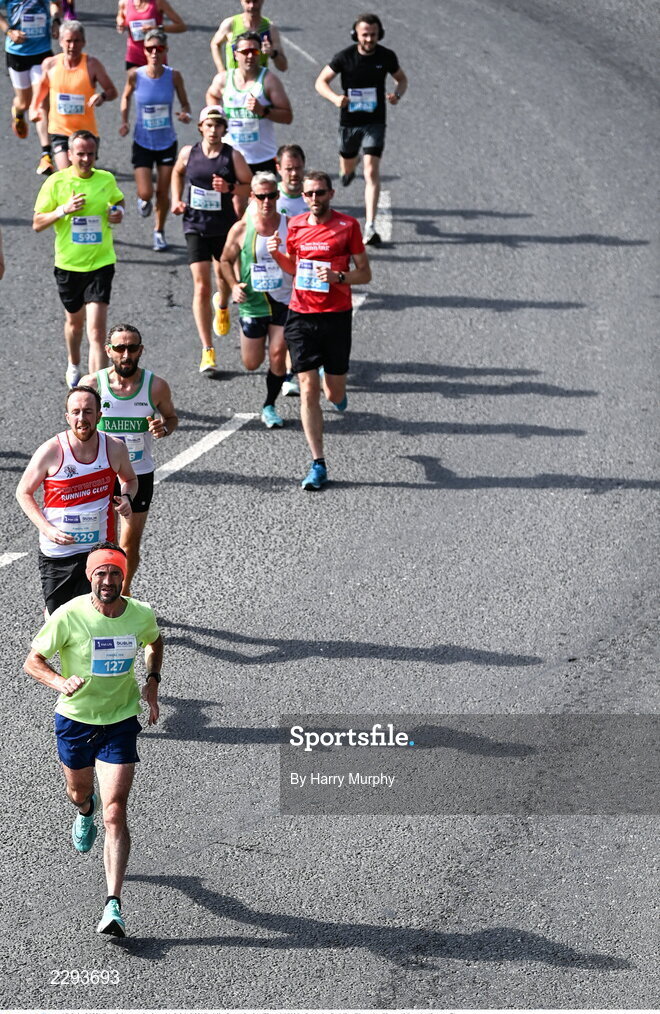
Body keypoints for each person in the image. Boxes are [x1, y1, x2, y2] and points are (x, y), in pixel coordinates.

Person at [23, 542, 163, 938]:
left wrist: (151, 686)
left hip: (120, 721)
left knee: (116, 811)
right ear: (90, 577)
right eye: (100, 573)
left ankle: (113, 905)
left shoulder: (139, 615)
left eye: (114, 573)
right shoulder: (69, 616)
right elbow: (32, 661)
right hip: (76, 721)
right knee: (78, 794)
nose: (108, 580)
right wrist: (59, 681)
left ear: (124, 577)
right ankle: (85, 810)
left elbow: (155, 641)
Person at [268, 170, 371, 490]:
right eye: (309, 194)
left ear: (331, 194)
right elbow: (295, 269)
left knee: (334, 393)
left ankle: (337, 390)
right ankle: (318, 463)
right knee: (308, 388)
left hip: (336, 316)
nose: (314, 199)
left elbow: (365, 274)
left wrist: (338, 278)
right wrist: (275, 253)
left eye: (320, 193)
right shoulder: (295, 226)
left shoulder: (347, 226)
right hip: (301, 315)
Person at [16, 386, 138, 614]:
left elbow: (130, 479)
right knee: (58, 617)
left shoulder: (114, 448)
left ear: (99, 416)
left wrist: (127, 498)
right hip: (59, 551)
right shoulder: (51, 450)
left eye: (88, 412)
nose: (82, 419)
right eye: (76, 412)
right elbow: (23, 492)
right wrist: (47, 529)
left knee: (96, 614)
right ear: (68, 417)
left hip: (98, 549)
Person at [78, 323, 178, 596]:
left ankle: (123, 594)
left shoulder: (155, 386)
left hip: (139, 473)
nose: (126, 354)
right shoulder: (92, 385)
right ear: (108, 350)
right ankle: (92, 595)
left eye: (132, 348)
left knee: (129, 543)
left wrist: (163, 428)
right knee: (98, 540)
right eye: (119, 348)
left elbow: (170, 418)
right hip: (100, 474)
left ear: (140, 350)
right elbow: (77, 425)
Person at [33, 129, 125, 387]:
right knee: (74, 324)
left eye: (90, 154)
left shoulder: (105, 179)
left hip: (101, 262)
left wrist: (117, 213)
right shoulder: (56, 183)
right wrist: (63, 209)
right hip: (68, 265)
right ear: (70, 154)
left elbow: (118, 202)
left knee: (96, 332)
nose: (85, 159)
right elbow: (37, 223)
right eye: (80, 154)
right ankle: (74, 363)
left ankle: (93, 392)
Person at [171, 105, 252, 375]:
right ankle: (207, 350)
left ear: (224, 129)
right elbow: (177, 172)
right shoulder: (188, 153)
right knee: (201, 286)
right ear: (200, 127)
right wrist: (176, 199)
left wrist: (229, 188)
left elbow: (250, 184)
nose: (213, 130)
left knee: (223, 279)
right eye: (209, 124)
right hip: (194, 224)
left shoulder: (233, 156)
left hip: (223, 227)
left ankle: (223, 305)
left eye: (218, 125)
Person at [314, 12, 407, 245]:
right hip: (350, 122)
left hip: (374, 121)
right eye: (365, 35)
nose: (369, 39)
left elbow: (401, 79)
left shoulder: (386, 56)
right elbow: (320, 82)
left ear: (380, 34)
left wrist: (396, 95)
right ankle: (349, 165)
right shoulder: (344, 57)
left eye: (373, 35)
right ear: (356, 34)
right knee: (346, 170)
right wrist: (335, 99)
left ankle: (370, 226)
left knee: (371, 171)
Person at [221, 172, 292, 428]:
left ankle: (269, 405)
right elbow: (225, 260)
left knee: (277, 352)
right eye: (261, 196)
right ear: (252, 197)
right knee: (251, 363)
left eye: (271, 195)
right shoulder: (242, 228)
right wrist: (232, 285)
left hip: (284, 301)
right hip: (253, 303)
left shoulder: (290, 225)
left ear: (278, 195)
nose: (266, 201)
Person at [119, 27, 191, 251]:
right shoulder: (135, 75)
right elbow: (125, 97)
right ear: (144, 50)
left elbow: (185, 104)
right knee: (146, 192)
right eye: (150, 49)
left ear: (165, 50)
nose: (154, 53)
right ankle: (143, 200)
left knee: (162, 191)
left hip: (167, 142)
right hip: (142, 141)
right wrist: (124, 121)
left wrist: (185, 114)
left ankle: (158, 231)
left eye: (159, 49)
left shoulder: (174, 76)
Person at [29, 19, 118, 170]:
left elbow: (112, 92)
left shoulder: (92, 65)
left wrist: (101, 96)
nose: (72, 46)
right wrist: (34, 107)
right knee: (67, 174)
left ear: (83, 42)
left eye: (77, 41)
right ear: (61, 41)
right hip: (59, 131)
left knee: (83, 175)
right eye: (68, 41)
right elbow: (42, 88)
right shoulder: (50, 64)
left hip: (86, 134)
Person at [205, 31, 292, 173]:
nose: (250, 56)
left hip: (262, 159)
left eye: (255, 51)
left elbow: (288, 116)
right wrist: (216, 114)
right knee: (229, 194)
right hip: (230, 156)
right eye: (245, 51)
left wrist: (263, 111)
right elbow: (212, 94)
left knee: (263, 196)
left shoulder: (269, 81)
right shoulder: (224, 79)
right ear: (235, 54)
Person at [1, 0, 62, 175]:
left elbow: (56, 4)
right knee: (24, 102)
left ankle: (46, 154)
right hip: (17, 53)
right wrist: (8, 31)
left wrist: (56, 21)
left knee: (42, 102)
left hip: (42, 52)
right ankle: (18, 112)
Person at [274, 143, 306, 397]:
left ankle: (294, 371)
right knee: (286, 325)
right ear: (278, 169)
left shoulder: (313, 196)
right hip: (279, 271)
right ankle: (289, 372)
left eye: (298, 168)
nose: (294, 174)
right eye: (288, 169)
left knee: (301, 324)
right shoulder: (269, 198)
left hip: (307, 270)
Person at [210, 0, 286, 74]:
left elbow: (283, 67)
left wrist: (272, 53)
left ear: (262, 1)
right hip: (233, 81)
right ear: (241, 1)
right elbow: (215, 44)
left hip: (259, 83)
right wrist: (221, 70)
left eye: (255, 1)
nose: (251, 6)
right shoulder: (231, 24)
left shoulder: (269, 29)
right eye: (247, 1)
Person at [116, 0, 185, 69]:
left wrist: (157, 28)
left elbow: (181, 26)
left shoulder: (159, 3)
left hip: (156, 56)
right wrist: (120, 23)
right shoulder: (125, 2)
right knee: (132, 78)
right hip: (134, 56)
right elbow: (120, 15)